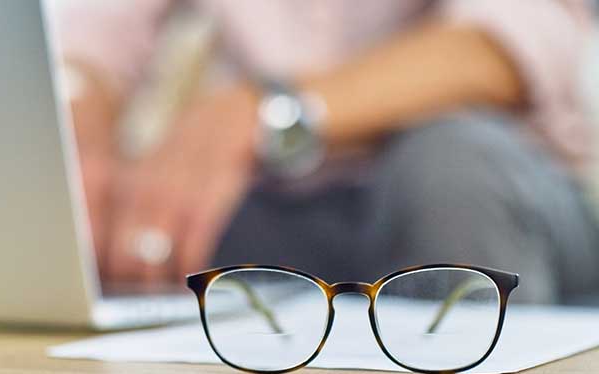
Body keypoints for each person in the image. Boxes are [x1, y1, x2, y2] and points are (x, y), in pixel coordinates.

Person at [49, 0, 599, 303]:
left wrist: (274, 111)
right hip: (278, 196)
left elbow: (506, 45)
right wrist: (81, 148)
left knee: (450, 171)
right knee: (159, 225)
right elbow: (92, 41)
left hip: (483, 193)